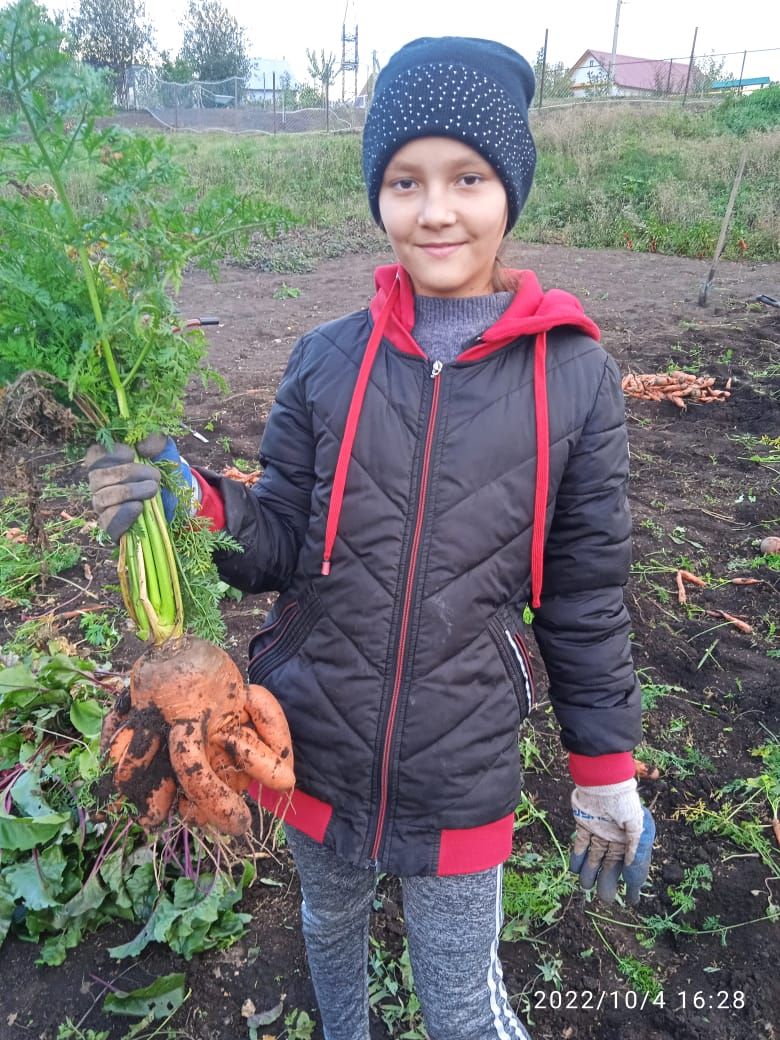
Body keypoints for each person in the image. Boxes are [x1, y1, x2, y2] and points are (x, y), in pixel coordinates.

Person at [87, 36, 655, 1040]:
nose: (436, 209)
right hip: (312, 736)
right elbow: (278, 545)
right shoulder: (326, 360)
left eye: (467, 177)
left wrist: (604, 767)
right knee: (328, 920)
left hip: (461, 762)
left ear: (509, 189)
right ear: (377, 194)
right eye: (405, 181)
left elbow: (584, 592)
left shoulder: (574, 378)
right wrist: (198, 502)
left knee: (461, 998)